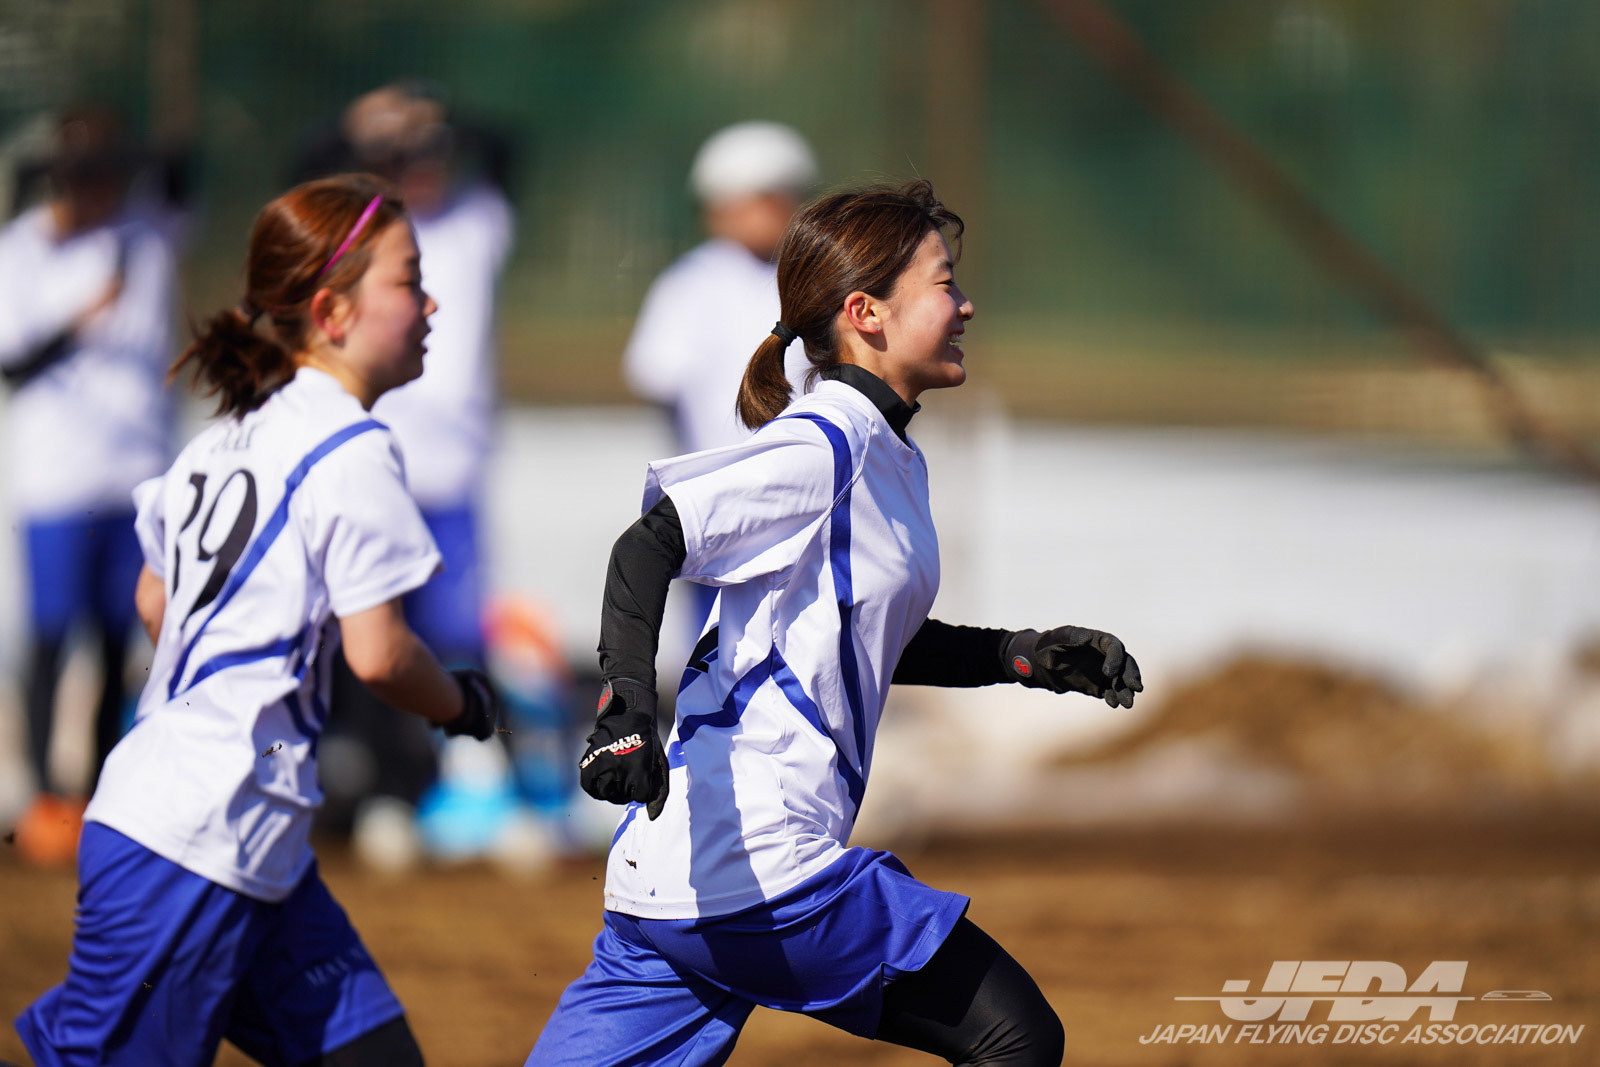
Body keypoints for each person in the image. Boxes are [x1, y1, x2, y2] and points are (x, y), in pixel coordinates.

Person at [529, 182, 1142, 1066]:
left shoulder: (887, 454)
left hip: (670, 873)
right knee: (1016, 1036)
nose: (966, 305)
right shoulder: (826, 442)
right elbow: (649, 543)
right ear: (866, 313)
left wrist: (1021, 655)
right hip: (761, 868)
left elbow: (859, 634)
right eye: (944, 283)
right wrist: (624, 707)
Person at [15, 174, 502, 1067]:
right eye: (409, 280)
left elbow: (155, 599)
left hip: (242, 833)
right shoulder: (350, 448)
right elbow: (380, 654)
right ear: (332, 310)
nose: (431, 303)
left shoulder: (222, 438)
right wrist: (463, 702)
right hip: (192, 843)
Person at [294, 82, 517, 862]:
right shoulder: (364, 236)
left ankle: (473, 786)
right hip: (372, 463)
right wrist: (360, 127)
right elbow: (299, 179)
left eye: (429, 154)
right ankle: (387, 786)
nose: (418, 168)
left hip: (452, 470)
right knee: (368, 632)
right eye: (399, 157)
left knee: (456, 633)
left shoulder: (478, 222)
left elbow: (510, 146)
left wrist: (430, 112)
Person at [0, 107, 181, 865]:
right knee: (51, 634)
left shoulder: (149, 233)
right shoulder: (23, 249)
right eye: (82, 177)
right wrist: (81, 319)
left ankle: (102, 790)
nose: (97, 191)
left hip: (135, 473)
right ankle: (47, 794)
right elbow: (12, 363)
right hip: (58, 475)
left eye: (108, 175)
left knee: (116, 636)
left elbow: (182, 163)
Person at [622, 119, 817, 633]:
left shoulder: (812, 278)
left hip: (806, 499)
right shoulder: (691, 283)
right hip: (719, 500)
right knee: (714, 643)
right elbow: (655, 375)